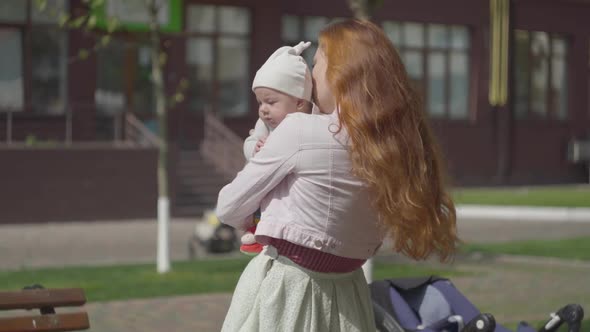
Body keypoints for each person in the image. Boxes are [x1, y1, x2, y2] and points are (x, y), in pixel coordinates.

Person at [216, 19, 459, 332]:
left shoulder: (299, 130)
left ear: (341, 73)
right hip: (349, 293)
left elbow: (228, 206)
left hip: (289, 289)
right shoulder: (390, 150)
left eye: (317, 63)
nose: (310, 75)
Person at [239, 41, 314, 255]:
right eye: (260, 102)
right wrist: (255, 149)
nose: (263, 110)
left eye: (270, 102)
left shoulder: (309, 124)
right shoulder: (264, 125)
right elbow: (249, 142)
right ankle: (256, 229)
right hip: (265, 178)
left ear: (299, 103)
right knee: (260, 200)